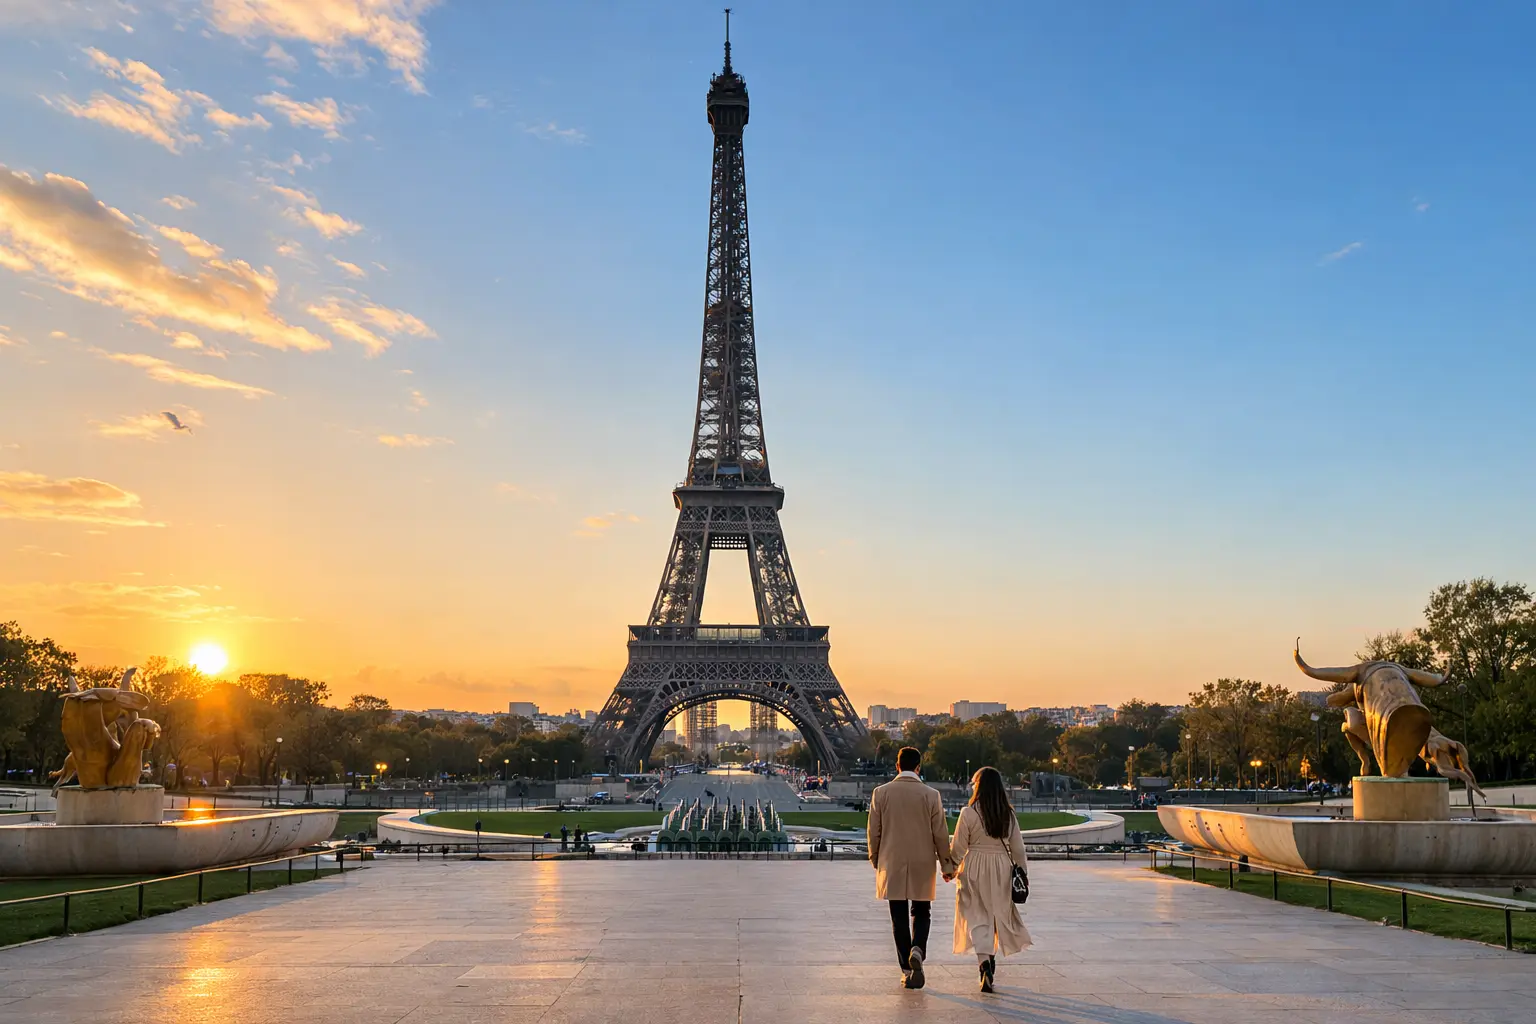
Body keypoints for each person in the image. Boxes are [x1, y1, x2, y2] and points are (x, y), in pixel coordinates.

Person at [867, 746, 955, 990]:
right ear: (919, 767)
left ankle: (906, 970)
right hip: (922, 860)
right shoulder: (931, 795)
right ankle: (918, 948)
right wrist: (947, 865)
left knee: (898, 917)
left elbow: (874, 831)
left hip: (892, 860)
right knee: (922, 910)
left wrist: (876, 858)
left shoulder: (880, 793)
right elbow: (940, 834)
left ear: (897, 766)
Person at [948, 766, 1031, 993]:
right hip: (1002, 869)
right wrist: (1022, 874)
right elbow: (1018, 850)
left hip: (974, 866)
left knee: (977, 917)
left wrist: (951, 868)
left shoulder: (969, 813)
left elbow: (958, 847)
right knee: (996, 916)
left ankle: (984, 962)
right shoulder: (1008, 815)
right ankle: (990, 957)